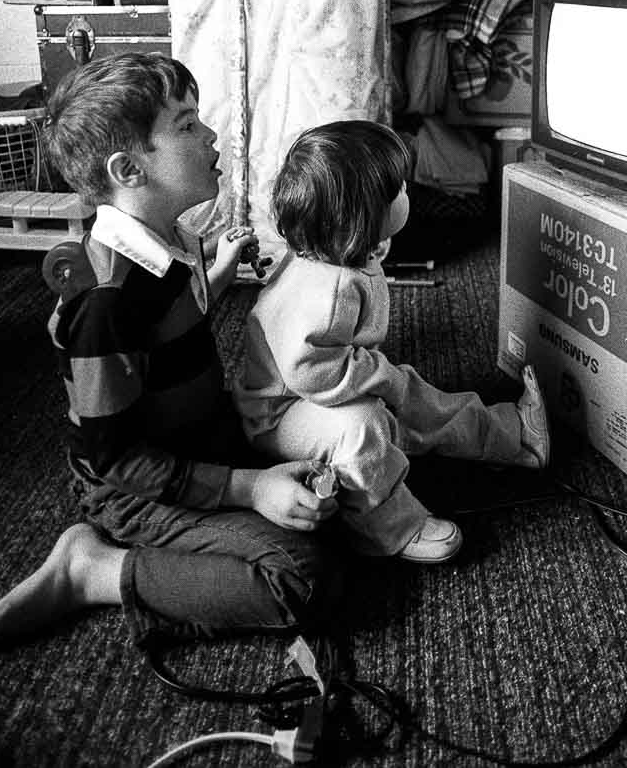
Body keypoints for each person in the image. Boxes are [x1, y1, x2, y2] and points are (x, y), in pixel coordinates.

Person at [0, 53, 340, 656]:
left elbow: (176, 318)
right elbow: (118, 459)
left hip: (200, 437)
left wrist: (219, 274)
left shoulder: (168, 242)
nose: (210, 134)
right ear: (128, 169)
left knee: (340, 488)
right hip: (138, 486)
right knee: (300, 577)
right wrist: (250, 489)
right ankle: (91, 569)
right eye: (186, 124)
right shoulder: (107, 307)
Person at [234, 120, 550, 566]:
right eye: (398, 189)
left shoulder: (336, 255)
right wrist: (383, 380)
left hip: (328, 381)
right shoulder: (327, 291)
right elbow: (309, 372)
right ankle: (392, 528)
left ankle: (516, 437)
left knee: (413, 400)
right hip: (279, 415)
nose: (408, 194)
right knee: (364, 427)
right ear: (362, 216)